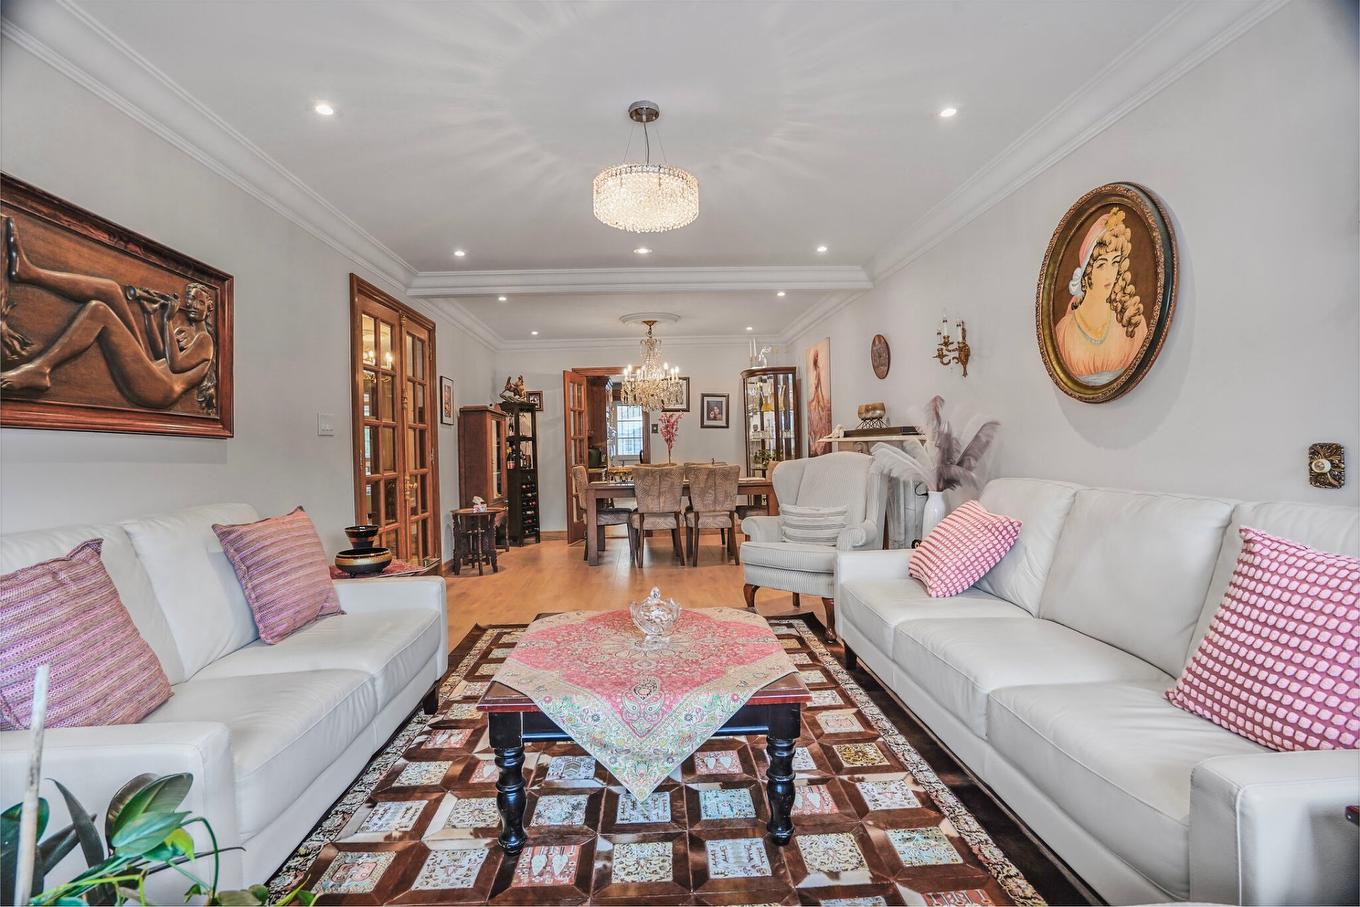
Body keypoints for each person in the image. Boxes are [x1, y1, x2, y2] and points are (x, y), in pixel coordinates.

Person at [0, 216, 216, 410]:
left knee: (99, 311)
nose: (193, 305)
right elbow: (161, 357)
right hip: (151, 371)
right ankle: (29, 273)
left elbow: (175, 366)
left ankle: (41, 369)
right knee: (111, 290)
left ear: (209, 308)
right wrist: (150, 316)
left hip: (159, 389)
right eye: (191, 301)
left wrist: (167, 320)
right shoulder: (189, 335)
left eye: (199, 302)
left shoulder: (205, 340)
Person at [1053, 207, 1146, 386]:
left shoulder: (1131, 322)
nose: (1110, 274)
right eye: (1102, 264)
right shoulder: (1064, 332)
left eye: (1115, 263)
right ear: (1087, 272)